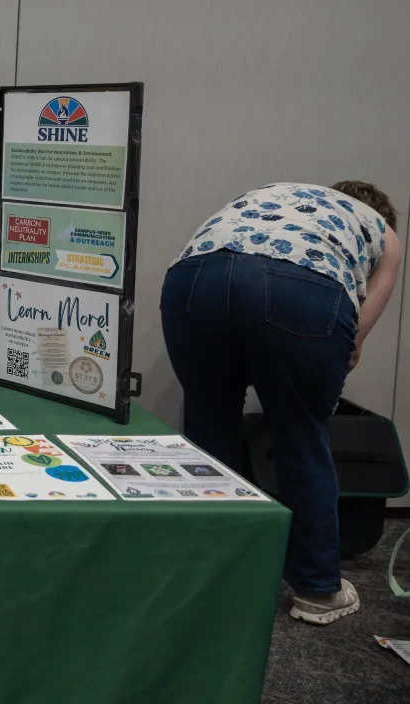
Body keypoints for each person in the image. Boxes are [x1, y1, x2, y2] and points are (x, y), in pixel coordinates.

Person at [160, 181, 401, 625]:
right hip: (301, 286)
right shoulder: (383, 231)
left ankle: (209, 572)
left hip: (192, 280)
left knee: (208, 430)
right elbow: (355, 339)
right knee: (301, 435)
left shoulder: (277, 192)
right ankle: (317, 589)